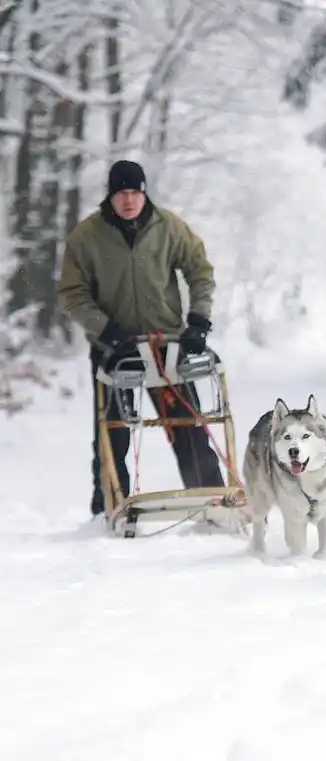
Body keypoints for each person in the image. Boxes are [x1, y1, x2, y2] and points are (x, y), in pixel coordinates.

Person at [57, 159, 226, 517]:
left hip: (166, 346)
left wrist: (198, 320)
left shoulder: (169, 228)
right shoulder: (87, 236)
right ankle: (109, 508)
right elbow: (73, 293)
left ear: (144, 192)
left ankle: (211, 500)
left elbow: (200, 270)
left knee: (188, 428)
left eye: (135, 192)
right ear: (111, 196)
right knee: (112, 432)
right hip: (113, 350)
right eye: (122, 193)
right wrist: (106, 330)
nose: (129, 200)